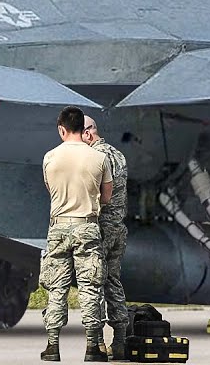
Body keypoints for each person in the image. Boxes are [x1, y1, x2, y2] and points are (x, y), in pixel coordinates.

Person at [41, 106, 112, 362]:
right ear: (84, 129)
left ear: (62, 129)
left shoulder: (50, 157)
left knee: (57, 287)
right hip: (88, 226)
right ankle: (93, 347)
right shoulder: (99, 159)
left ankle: (52, 346)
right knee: (90, 286)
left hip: (58, 227)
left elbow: (50, 189)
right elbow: (106, 196)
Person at [83, 116, 129, 360]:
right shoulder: (118, 155)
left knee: (93, 282)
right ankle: (120, 341)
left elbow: (98, 195)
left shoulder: (95, 158)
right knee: (112, 281)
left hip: (100, 227)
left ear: (88, 134)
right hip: (118, 228)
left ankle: (98, 342)